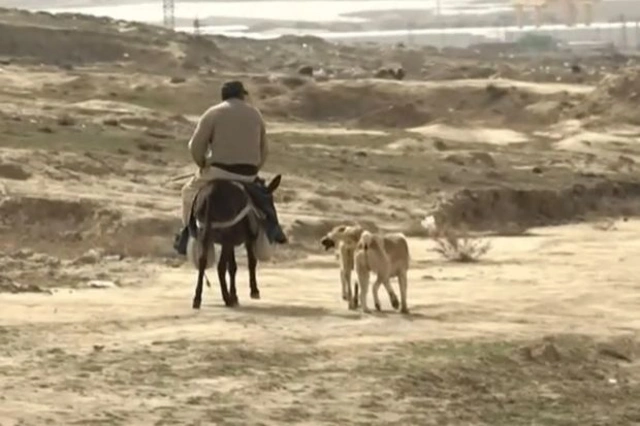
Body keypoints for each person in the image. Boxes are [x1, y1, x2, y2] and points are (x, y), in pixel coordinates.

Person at [173, 80, 287, 256]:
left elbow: (195, 146)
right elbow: (264, 150)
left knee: (188, 192)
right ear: (242, 95)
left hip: (219, 171)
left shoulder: (213, 113)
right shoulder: (255, 115)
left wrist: (202, 164)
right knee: (264, 197)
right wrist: (254, 168)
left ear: (223, 96)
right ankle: (273, 230)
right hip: (248, 174)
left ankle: (187, 235)